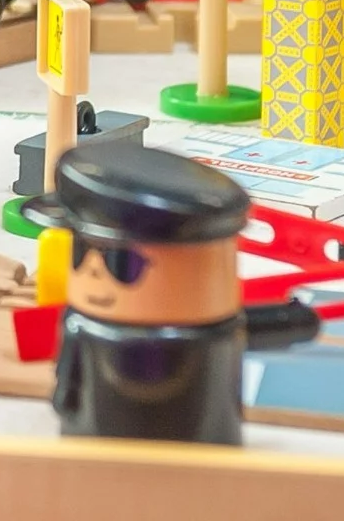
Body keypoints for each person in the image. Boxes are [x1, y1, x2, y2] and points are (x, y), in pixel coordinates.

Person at [50, 143, 317, 444]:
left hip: (200, 460)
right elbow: (69, 384)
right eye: (80, 252)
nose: (94, 274)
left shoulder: (215, 337)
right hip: (89, 459)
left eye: (121, 264)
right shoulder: (81, 324)